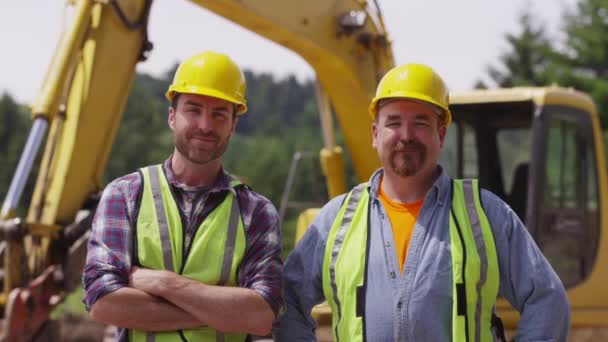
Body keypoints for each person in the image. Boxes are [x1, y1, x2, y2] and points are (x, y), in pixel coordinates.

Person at [277, 63, 570, 341]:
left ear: (441, 134)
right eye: (394, 123)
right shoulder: (336, 219)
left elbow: (545, 297)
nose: (406, 135)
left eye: (420, 123)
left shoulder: (486, 214)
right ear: (375, 134)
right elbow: (287, 297)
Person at [83, 51, 283, 342]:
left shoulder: (257, 212)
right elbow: (103, 302)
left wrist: (165, 284)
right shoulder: (124, 195)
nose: (205, 125)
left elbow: (262, 316)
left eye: (219, 114)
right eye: (194, 109)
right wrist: (224, 312)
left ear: (233, 125)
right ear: (172, 116)